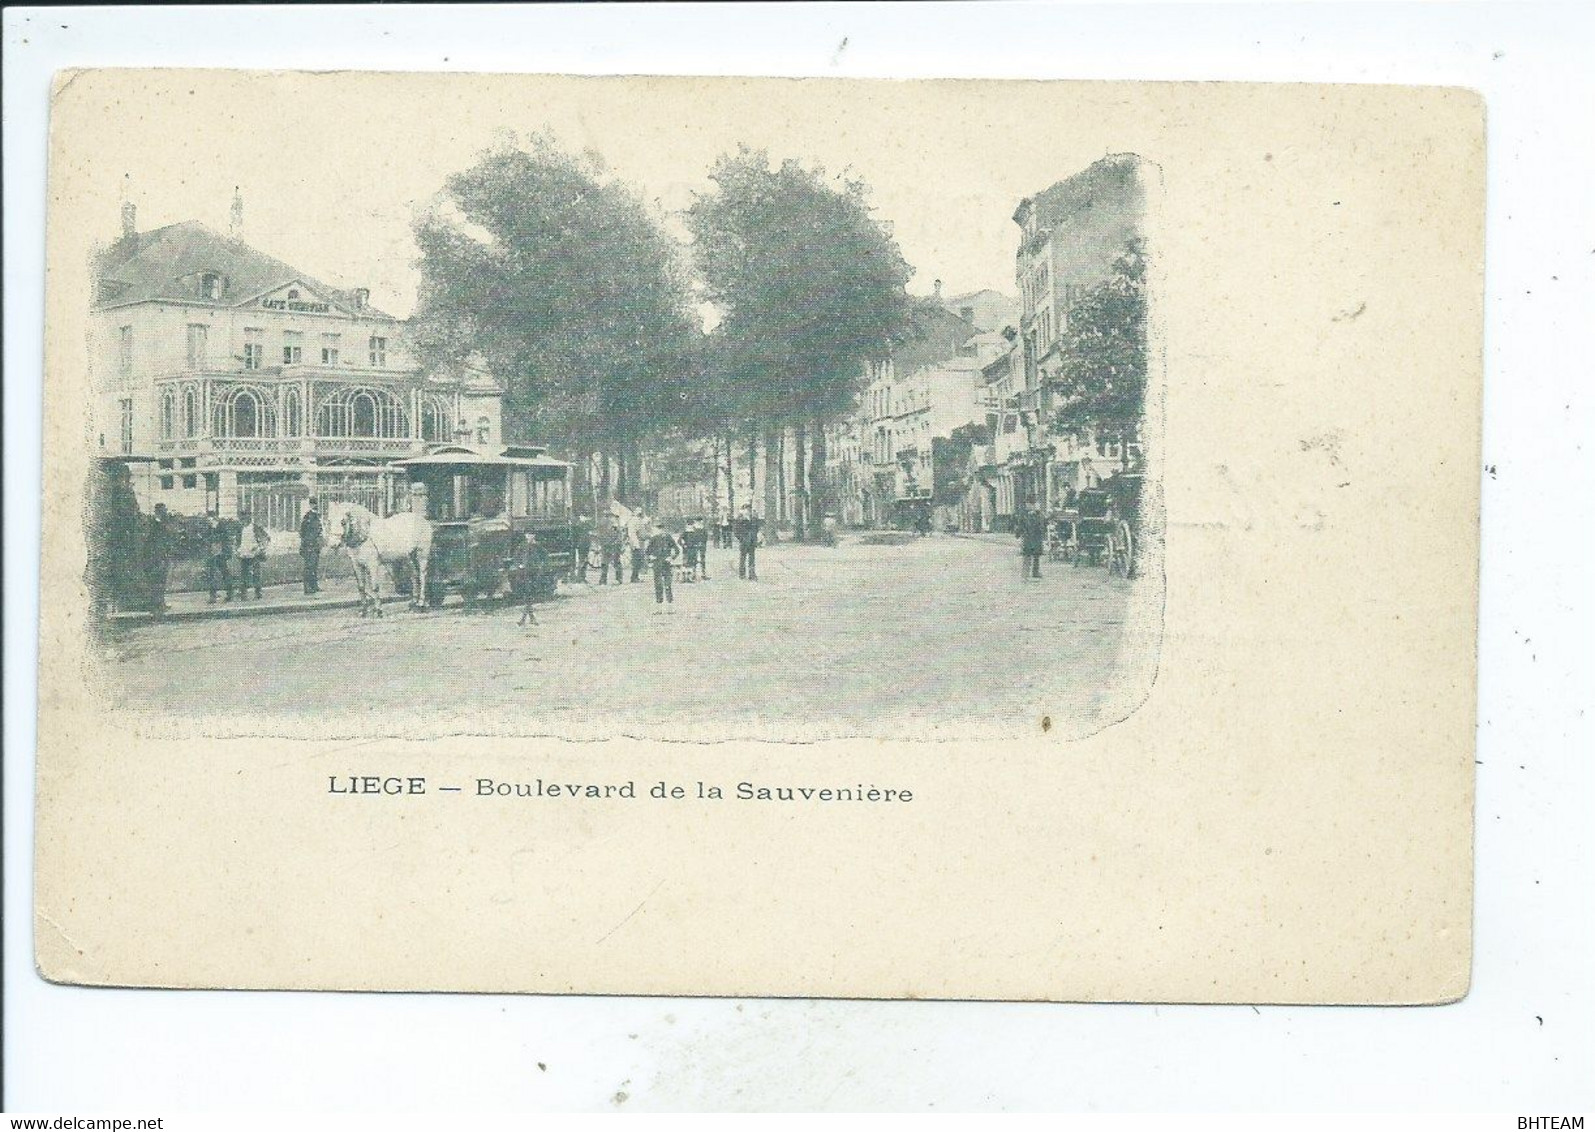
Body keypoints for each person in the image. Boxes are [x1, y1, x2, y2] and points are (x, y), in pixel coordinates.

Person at [144, 503, 173, 617]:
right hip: (156, 558)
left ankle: (161, 603)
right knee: (156, 582)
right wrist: (158, 557)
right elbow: (152, 544)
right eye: (164, 510)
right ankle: (155, 606)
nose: (166, 512)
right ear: (159, 512)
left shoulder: (161, 524)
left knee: (161, 581)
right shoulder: (153, 524)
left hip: (162, 557)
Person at [644, 522, 682, 609]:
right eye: (658, 528)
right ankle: (659, 605)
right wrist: (650, 558)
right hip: (657, 563)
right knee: (658, 584)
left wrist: (671, 557)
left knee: (668, 584)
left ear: (663, 529)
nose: (660, 530)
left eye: (661, 528)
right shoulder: (653, 539)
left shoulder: (668, 538)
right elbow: (647, 552)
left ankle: (670, 604)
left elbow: (677, 550)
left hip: (666, 563)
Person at [236, 510, 271, 600]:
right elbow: (237, 542)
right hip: (244, 554)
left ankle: (258, 593)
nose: (243, 521)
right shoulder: (240, 529)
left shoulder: (255, 528)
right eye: (241, 519)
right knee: (243, 574)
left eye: (245, 519)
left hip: (254, 554)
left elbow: (266, 538)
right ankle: (243, 594)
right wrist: (237, 550)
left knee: (256, 573)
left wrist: (260, 548)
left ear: (249, 519)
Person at [203, 510, 236, 603]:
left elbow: (225, 538)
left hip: (221, 553)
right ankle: (213, 596)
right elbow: (207, 538)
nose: (209, 520)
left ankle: (230, 593)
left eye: (211, 517)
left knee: (224, 573)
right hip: (212, 552)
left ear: (215, 517)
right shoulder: (209, 527)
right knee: (211, 574)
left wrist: (213, 538)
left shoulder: (221, 525)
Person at [299, 500, 323, 594]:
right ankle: (307, 587)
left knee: (314, 566)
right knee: (309, 566)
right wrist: (307, 542)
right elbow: (302, 532)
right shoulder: (308, 517)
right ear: (311, 505)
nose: (315, 506)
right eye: (313, 504)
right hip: (308, 545)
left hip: (315, 545)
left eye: (316, 504)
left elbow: (318, 530)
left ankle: (314, 585)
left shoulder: (316, 516)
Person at [734, 505, 762, 581]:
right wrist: (741, 539)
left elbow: (756, 529)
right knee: (743, 558)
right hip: (744, 542)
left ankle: (752, 574)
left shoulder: (754, 519)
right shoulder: (739, 520)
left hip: (752, 541)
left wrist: (756, 537)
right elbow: (736, 531)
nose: (748, 511)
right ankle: (742, 574)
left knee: (752, 558)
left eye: (749, 510)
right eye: (746, 510)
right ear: (744, 510)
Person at [1018, 507, 1046, 581]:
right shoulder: (1025, 514)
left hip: (1034, 538)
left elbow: (1043, 525)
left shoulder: (1039, 515)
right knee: (1028, 556)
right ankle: (1025, 575)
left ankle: (1033, 573)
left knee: (1035, 555)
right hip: (1031, 538)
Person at [597, 517, 626, 586]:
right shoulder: (605, 526)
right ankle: (604, 580)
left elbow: (619, 537)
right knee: (606, 563)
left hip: (613, 547)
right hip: (608, 546)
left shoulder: (614, 526)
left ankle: (616, 579)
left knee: (615, 562)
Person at [627, 509, 648, 583]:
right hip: (637, 543)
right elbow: (633, 533)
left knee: (638, 560)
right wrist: (636, 544)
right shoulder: (635, 521)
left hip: (638, 542)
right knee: (637, 560)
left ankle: (635, 576)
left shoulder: (637, 520)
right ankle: (634, 577)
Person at [572, 514, 593, 583]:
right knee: (582, 560)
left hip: (583, 544)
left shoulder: (580, 524)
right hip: (583, 545)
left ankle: (581, 576)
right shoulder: (581, 525)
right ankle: (580, 577)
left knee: (583, 560)